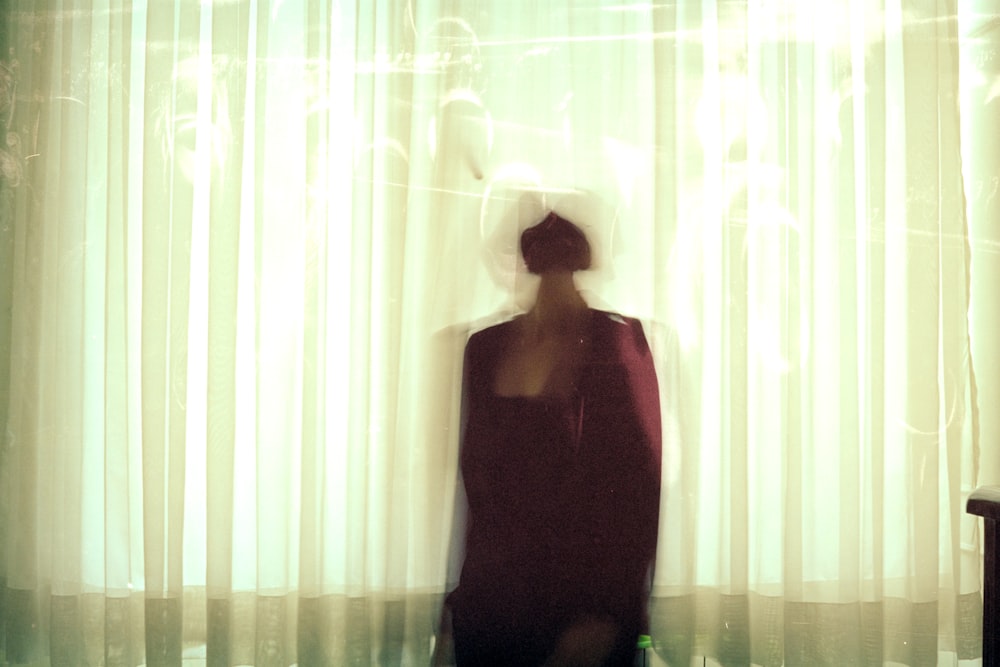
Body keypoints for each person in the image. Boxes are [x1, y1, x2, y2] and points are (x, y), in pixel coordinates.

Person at [438, 212, 661, 666]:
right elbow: (476, 482)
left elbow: (639, 488)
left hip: (583, 609)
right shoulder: (484, 348)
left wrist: (609, 612)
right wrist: (461, 606)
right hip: (493, 604)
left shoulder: (617, 343)